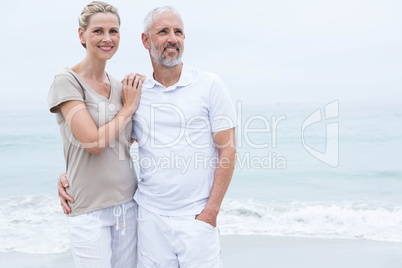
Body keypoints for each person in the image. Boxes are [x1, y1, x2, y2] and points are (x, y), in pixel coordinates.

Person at [59, 6, 238, 267]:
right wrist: (69, 174)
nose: (172, 38)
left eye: (178, 32)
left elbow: (228, 151)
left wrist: (211, 212)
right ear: (146, 40)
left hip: (197, 219)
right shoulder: (135, 92)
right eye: (163, 31)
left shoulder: (210, 85)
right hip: (149, 219)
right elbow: (111, 143)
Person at [48, 1, 143, 267]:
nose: (107, 38)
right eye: (98, 31)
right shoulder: (66, 80)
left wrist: (69, 171)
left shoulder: (119, 87)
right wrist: (129, 107)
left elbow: (126, 142)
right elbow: (93, 142)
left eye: (114, 31)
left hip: (128, 204)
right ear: (82, 35)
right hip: (88, 211)